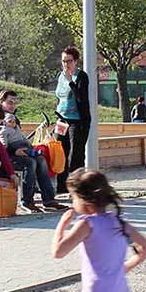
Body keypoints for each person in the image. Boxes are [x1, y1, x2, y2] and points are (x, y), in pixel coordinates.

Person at [0, 112, 60, 212]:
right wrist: (13, 151)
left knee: (41, 160)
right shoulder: (2, 129)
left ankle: (49, 199)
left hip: (22, 150)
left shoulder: (16, 129)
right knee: (30, 163)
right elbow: (2, 146)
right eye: (10, 121)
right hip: (9, 156)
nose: (13, 123)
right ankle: (27, 201)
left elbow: (24, 139)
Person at [54, 46, 91, 195]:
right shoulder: (60, 76)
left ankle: (77, 188)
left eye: (69, 61)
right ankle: (61, 186)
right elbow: (59, 96)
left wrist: (71, 82)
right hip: (62, 119)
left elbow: (81, 98)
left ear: (75, 61)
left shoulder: (81, 76)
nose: (66, 65)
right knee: (60, 152)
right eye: (63, 61)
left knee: (75, 154)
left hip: (78, 121)